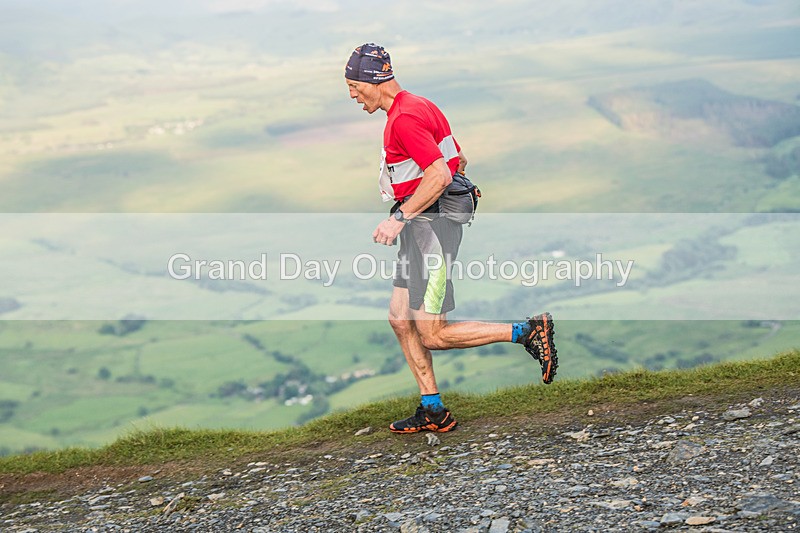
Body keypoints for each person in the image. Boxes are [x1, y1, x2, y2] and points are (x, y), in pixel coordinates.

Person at [344, 43, 558, 434]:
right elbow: (459, 159)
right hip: (423, 226)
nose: (353, 95)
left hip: (431, 231)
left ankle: (526, 331)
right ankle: (433, 409)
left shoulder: (404, 119)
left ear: (373, 80)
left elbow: (441, 175)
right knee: (399, 319)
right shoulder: (418, 105)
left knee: (433, 332)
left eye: (355, 87)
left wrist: (401, 217)